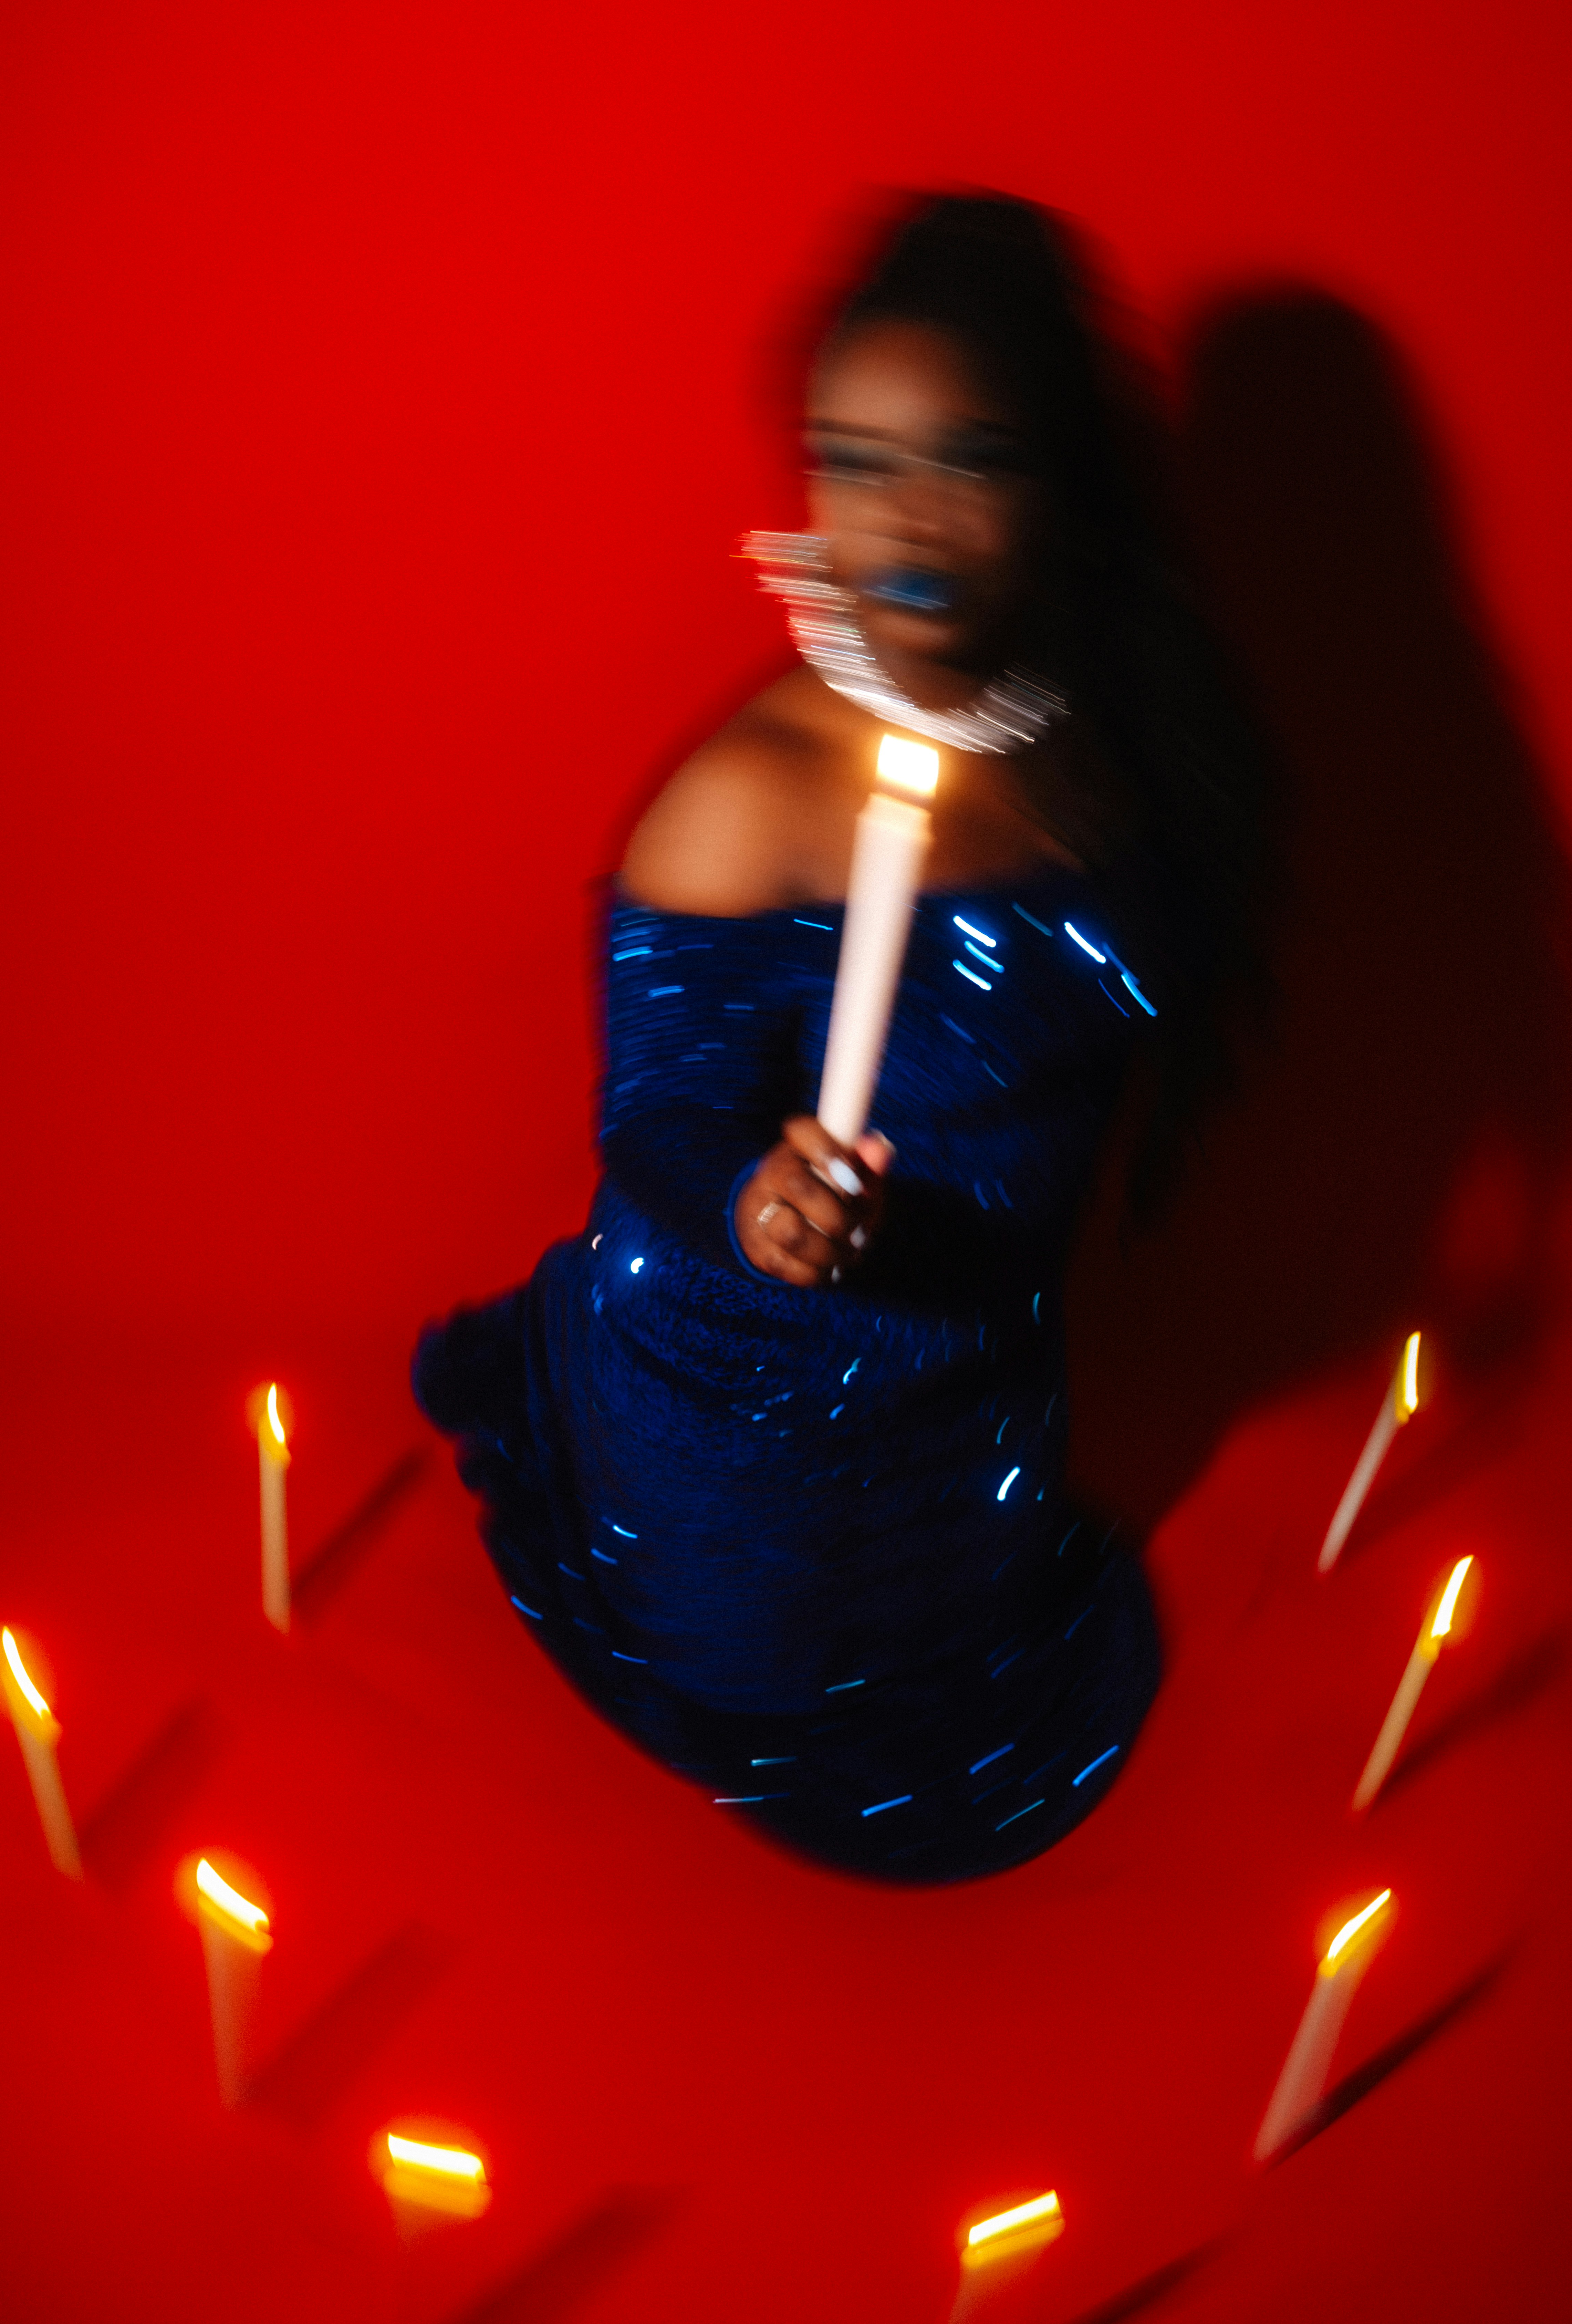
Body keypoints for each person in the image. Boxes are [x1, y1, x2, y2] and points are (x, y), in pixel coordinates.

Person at [413, 192, 1267, 1884]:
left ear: (1062, 483)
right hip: (755, 1401)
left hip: (983, 1391)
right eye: (855, 462)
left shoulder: (1108, 737)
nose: (908, 520)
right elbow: (655, 1109)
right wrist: (750, 1204)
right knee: (790, 1682)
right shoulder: (745, 804)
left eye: (972, 456)